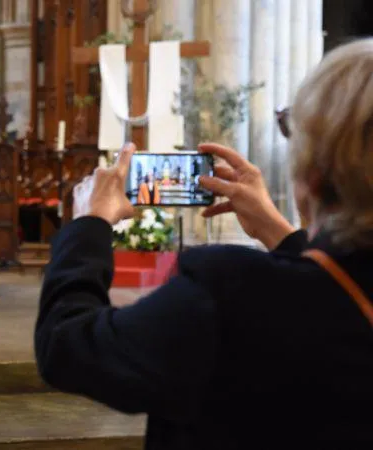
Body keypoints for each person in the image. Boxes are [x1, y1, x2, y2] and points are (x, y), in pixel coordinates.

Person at [35, 38, 373, 449]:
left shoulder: (231, 296)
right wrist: (282, 236)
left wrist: (89, 223)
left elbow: (69, 347)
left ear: (314, 174)